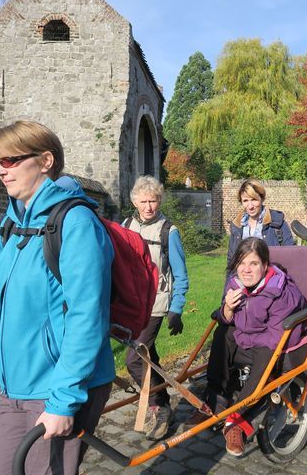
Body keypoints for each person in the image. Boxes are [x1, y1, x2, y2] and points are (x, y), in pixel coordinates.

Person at [0, 120, 115, 474]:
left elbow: (87, 317)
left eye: (10, 161)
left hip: (58, 387)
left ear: (46, 160)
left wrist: (64, 401)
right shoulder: (11, 221)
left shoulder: (76, 222)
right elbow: (0, 305)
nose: (0, 171)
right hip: (12, 385)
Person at [187, 237, 307, 457]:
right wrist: (228, 310)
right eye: (241, 263)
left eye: (253, 264)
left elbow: (276, 336)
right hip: (251, 336)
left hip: (275, 340)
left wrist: (243, 337)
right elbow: (224, 319)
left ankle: (237, 420)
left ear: (264, 265)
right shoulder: (235, 284)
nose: (246, 270)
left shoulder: (280, 291)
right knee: (223, 333)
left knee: (263, 358)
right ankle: (216, 402)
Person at [123, 175, 189, 440]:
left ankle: (159, 406)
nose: (148, 206)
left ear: (159, 200)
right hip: (131, 302)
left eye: (153, 200)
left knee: (134, 359)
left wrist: (177, 308)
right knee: (148, 356)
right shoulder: (126, 226)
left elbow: (181, 274)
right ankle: (160, 399)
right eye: (143, 201)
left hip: (156, 304)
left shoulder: (168, 231)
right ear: (135, 201)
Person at [227, 178, 294, 265]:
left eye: (254, 200)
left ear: (262, 199)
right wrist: (229, 278)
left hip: (272, 277)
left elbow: (291, 255)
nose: (250, 206)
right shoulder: (237, 226)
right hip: (244, 277)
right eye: (245, 201)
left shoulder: (277, 223)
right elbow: (231, 260)